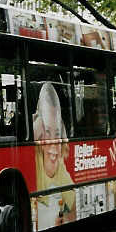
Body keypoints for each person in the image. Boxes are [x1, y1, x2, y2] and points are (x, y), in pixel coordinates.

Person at [32, 82, 75, 224]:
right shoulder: (34, 161)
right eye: (47, 132)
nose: (53, 145)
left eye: (57, 133)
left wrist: (67, 218)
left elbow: (73, 203)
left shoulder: (60, 166)